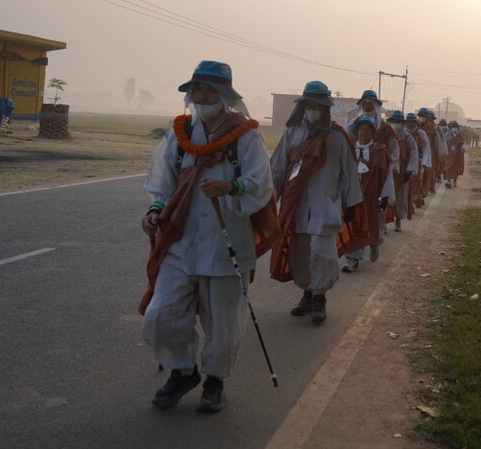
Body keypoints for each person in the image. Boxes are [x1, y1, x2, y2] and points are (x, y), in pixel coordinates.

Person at [140, 60, 278, 413]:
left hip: (226, 242)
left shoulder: (245, 135)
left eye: (209, 90)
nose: (202, 97)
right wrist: (155, 210)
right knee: (162, 312)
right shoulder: (180, 134)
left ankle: (215, 379)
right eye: (197, 90)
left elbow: (261, 182)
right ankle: (183, 371)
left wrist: (231, 187)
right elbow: (163, 183)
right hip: (181, 240)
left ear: (225, 95)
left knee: (223, 321)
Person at [268, 81, 362, 324]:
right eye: (308, 106)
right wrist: (270, 198)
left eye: (317, 106)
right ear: (302, 107)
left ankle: (320, 297)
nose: (312, 111)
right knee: (300, 252)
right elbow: (278, 167)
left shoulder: (337, 136)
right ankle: (307, 294)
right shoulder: (292, 133)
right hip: (297, 205)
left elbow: (349, 171)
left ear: (326, 109)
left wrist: (351, 203)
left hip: (326, 204)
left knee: (322, 253)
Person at [341, 116, 395, 272]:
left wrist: (385, 196)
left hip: (372, 194)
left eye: (367, 130)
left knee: (372, 223)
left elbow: (388, 175)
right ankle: (352, 259)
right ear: (356, 132)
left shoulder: (380, 151)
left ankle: (374, 243)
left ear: (373, 133)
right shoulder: (350, 150)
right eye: (361, 129)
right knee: (353, 224)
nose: (363, 132)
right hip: (353, 195)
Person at [347, 90, 399, 238]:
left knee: (375, 207)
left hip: (378, 167)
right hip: (356, 172)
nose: (368, 106)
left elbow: (394, 148)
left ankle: (376, 236)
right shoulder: (352, 124)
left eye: (371, 103)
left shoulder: (384, 127)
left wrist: (392, 165)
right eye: (365, 103)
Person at [387, 110, 418, 230]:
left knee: (400, 195)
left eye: (398, 122)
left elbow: (413, 155)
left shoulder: (408, 138)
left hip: (402, 171)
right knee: (386, 195)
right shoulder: (386, 135)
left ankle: (398, 218)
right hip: (388, 171)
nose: (396, 124)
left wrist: (410, 171)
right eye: (394, 121)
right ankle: (384, 222)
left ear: (402, 123)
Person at [406, 111, 430, 207]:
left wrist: (424, 163)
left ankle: (412, 201)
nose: (410, 124)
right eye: (409, 122)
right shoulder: (402, 133)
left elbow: (426, 150)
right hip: (404, 162)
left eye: (412, 122)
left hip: (417, 162)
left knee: (415, 183)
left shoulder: (421, 134)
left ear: (416, 123)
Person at [444, 120, 466, 188]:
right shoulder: (446, 136)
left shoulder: (460, 135)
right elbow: (444, 145)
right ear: (450, 128)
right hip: (449, 154)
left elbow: (464, 143)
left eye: (455, 127)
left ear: (457, 128)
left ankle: (455, 180)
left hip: (457, 154)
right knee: (448, 167)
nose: (454, 128)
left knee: (456, 167)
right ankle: (448, 181)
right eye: (453, 127)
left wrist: (463, 148)